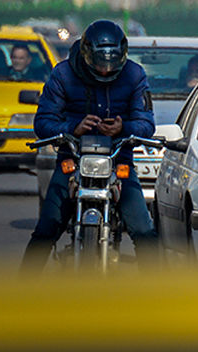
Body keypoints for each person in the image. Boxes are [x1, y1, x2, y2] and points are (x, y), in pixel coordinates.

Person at [21, 19, 157, 269]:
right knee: (46, 228)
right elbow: (43, 122)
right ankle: (19, 295)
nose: (105, 71)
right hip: (72, 159)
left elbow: (146, 123)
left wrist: (123, 128)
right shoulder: (62, 74)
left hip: (119, 160)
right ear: (86, 55)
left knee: (144, 229)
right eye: (99, 64)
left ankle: (164, 298)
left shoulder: (135, 75)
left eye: (111, 64)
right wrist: (72, 127)